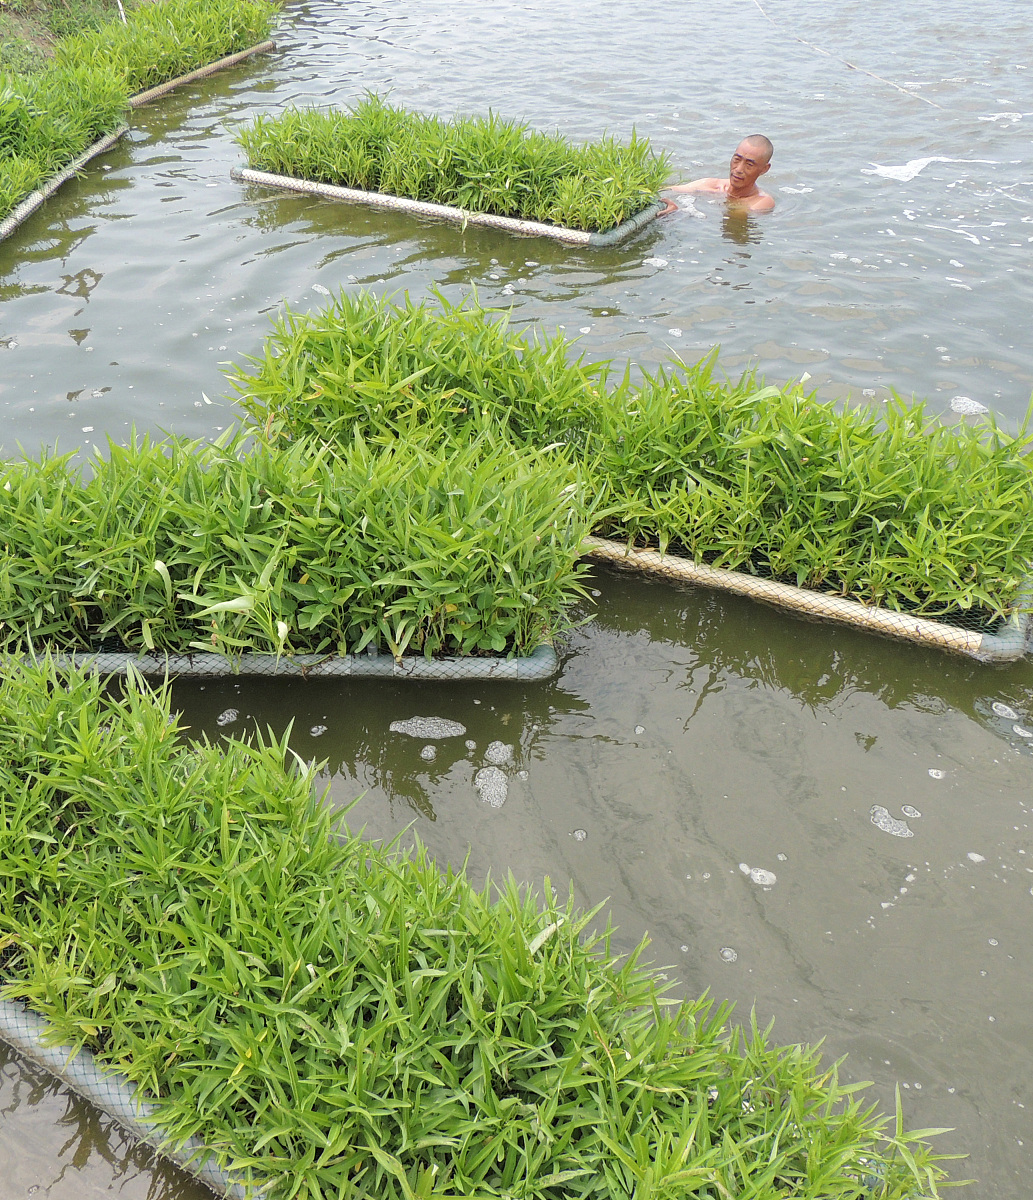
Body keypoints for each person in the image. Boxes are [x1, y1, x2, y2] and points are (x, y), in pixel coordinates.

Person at [660, 136, 775, 214]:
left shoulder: (762, 201)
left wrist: (677, 212)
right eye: (736, 159)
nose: (739, 169)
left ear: (764, 169)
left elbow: (735, 219)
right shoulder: (711, 185)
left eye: (749, 164)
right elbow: (666, 191)